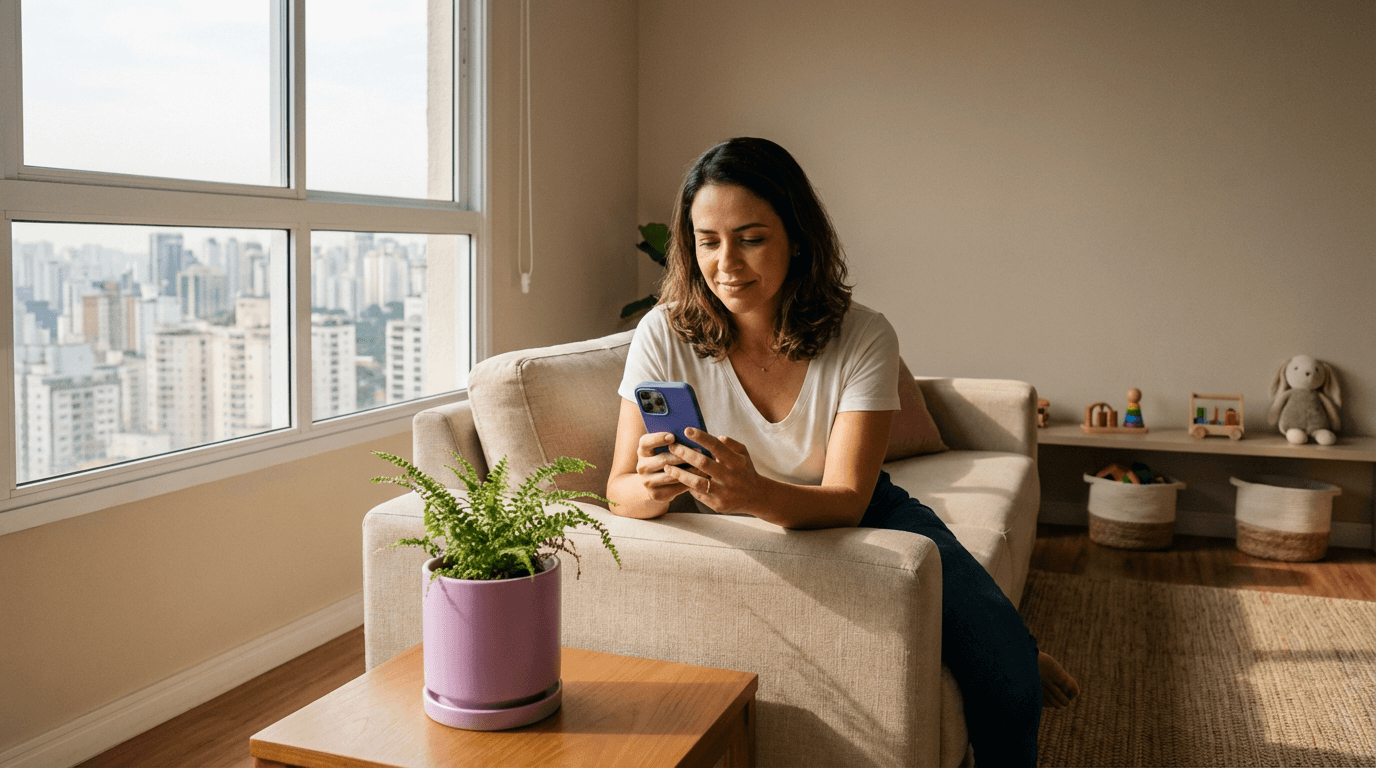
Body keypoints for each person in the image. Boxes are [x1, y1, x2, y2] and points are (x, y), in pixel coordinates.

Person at [606, 137, 1078, 765]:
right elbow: (618, 490)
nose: (727, 264)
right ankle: (1004, 641)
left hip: (855, 506)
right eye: (707, 242)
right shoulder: (663, 333)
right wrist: (653, 488)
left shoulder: (862, 335)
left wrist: (752, 493)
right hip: (724, 519)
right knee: (996, 646)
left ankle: (1010, 649)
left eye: (751, 238)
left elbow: (849, 500)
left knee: (1009, 680)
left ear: (798, 238)